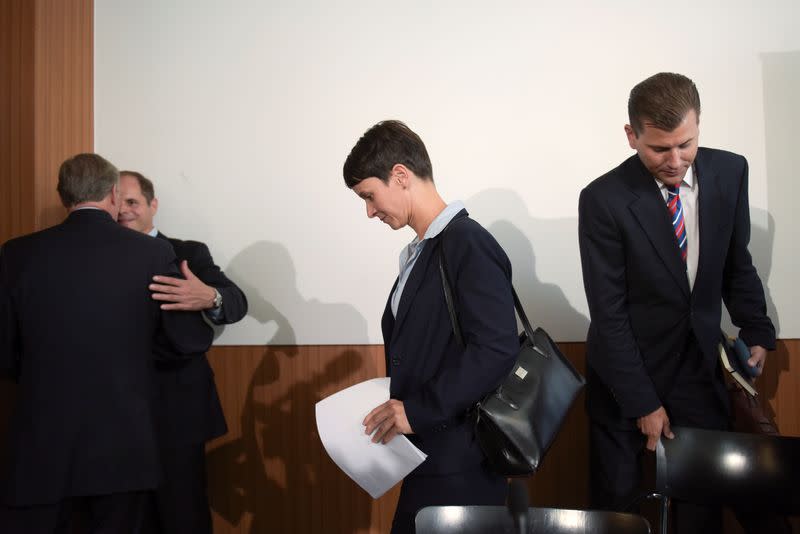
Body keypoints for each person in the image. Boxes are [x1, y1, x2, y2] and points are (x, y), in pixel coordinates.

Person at [578, 73, 776, 532]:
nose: (676, 161)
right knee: (617, 510)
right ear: (632, 136)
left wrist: (757, 329)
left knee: (701, 509)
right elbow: (609, 314)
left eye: (686, 144)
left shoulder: (730, 172)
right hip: (624, 381)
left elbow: (734, 261)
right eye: (659, 149)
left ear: (699, 124)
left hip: (697, 371)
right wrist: (643, 402)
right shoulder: (603, 200)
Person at [0, 153, 213, 533]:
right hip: (123, 443)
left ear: (63, 195)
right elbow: (187, 341)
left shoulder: (16, 254)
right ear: (113, 194)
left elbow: (3, 353)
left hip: (40, 442)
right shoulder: (152, 254)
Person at [343, 120, 519, 534]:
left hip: (462, 463)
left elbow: (496, 347)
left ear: (400, 176)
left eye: (369, 196)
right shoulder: (424, 251)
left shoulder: (466, 243)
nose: (369, 211)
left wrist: (418, 411)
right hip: (431, 457)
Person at [117, 170, 248, 534]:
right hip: (115, 412)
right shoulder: (99, 256)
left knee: (182, 514)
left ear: (152, 205)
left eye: (133, 202)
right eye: (118, 202)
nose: (125, 211)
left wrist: (210, 296)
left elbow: (237, 302)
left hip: (178, 410)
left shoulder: (188, 252)